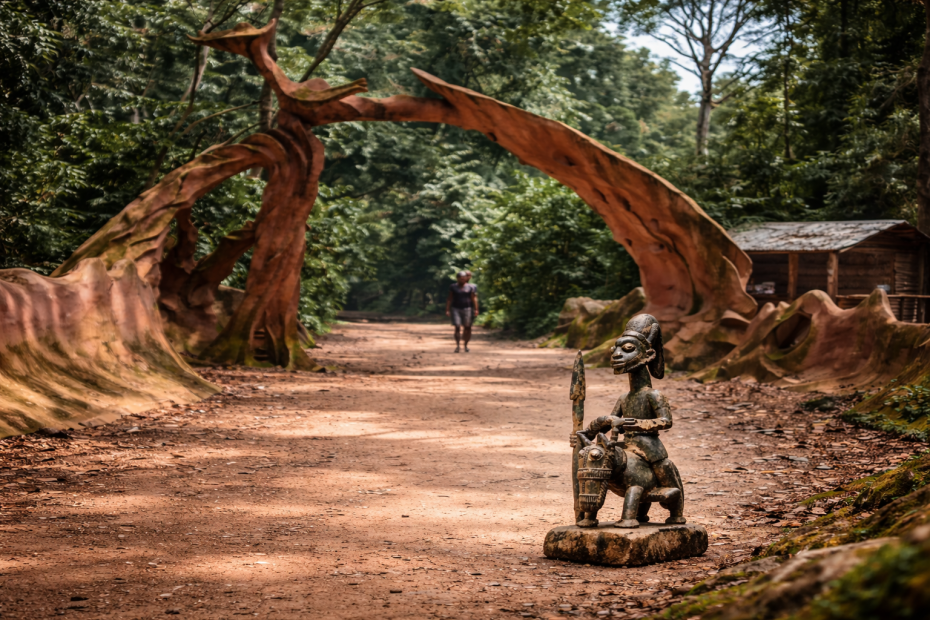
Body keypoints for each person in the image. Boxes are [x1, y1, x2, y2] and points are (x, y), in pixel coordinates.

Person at [445, 270, 478, 353]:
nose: (462, 280)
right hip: (456, 308)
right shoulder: (453, 287)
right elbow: (449, 298)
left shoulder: (470, 287)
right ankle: (458, 346)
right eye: (460, 278)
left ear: (466, 278)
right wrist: (447, 309)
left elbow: (473, 298)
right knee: (457, 326)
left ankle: (466, 345)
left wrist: (476, 309)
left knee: (467, 327)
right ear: (457, 278)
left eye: (464, 278)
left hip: (468, 309)